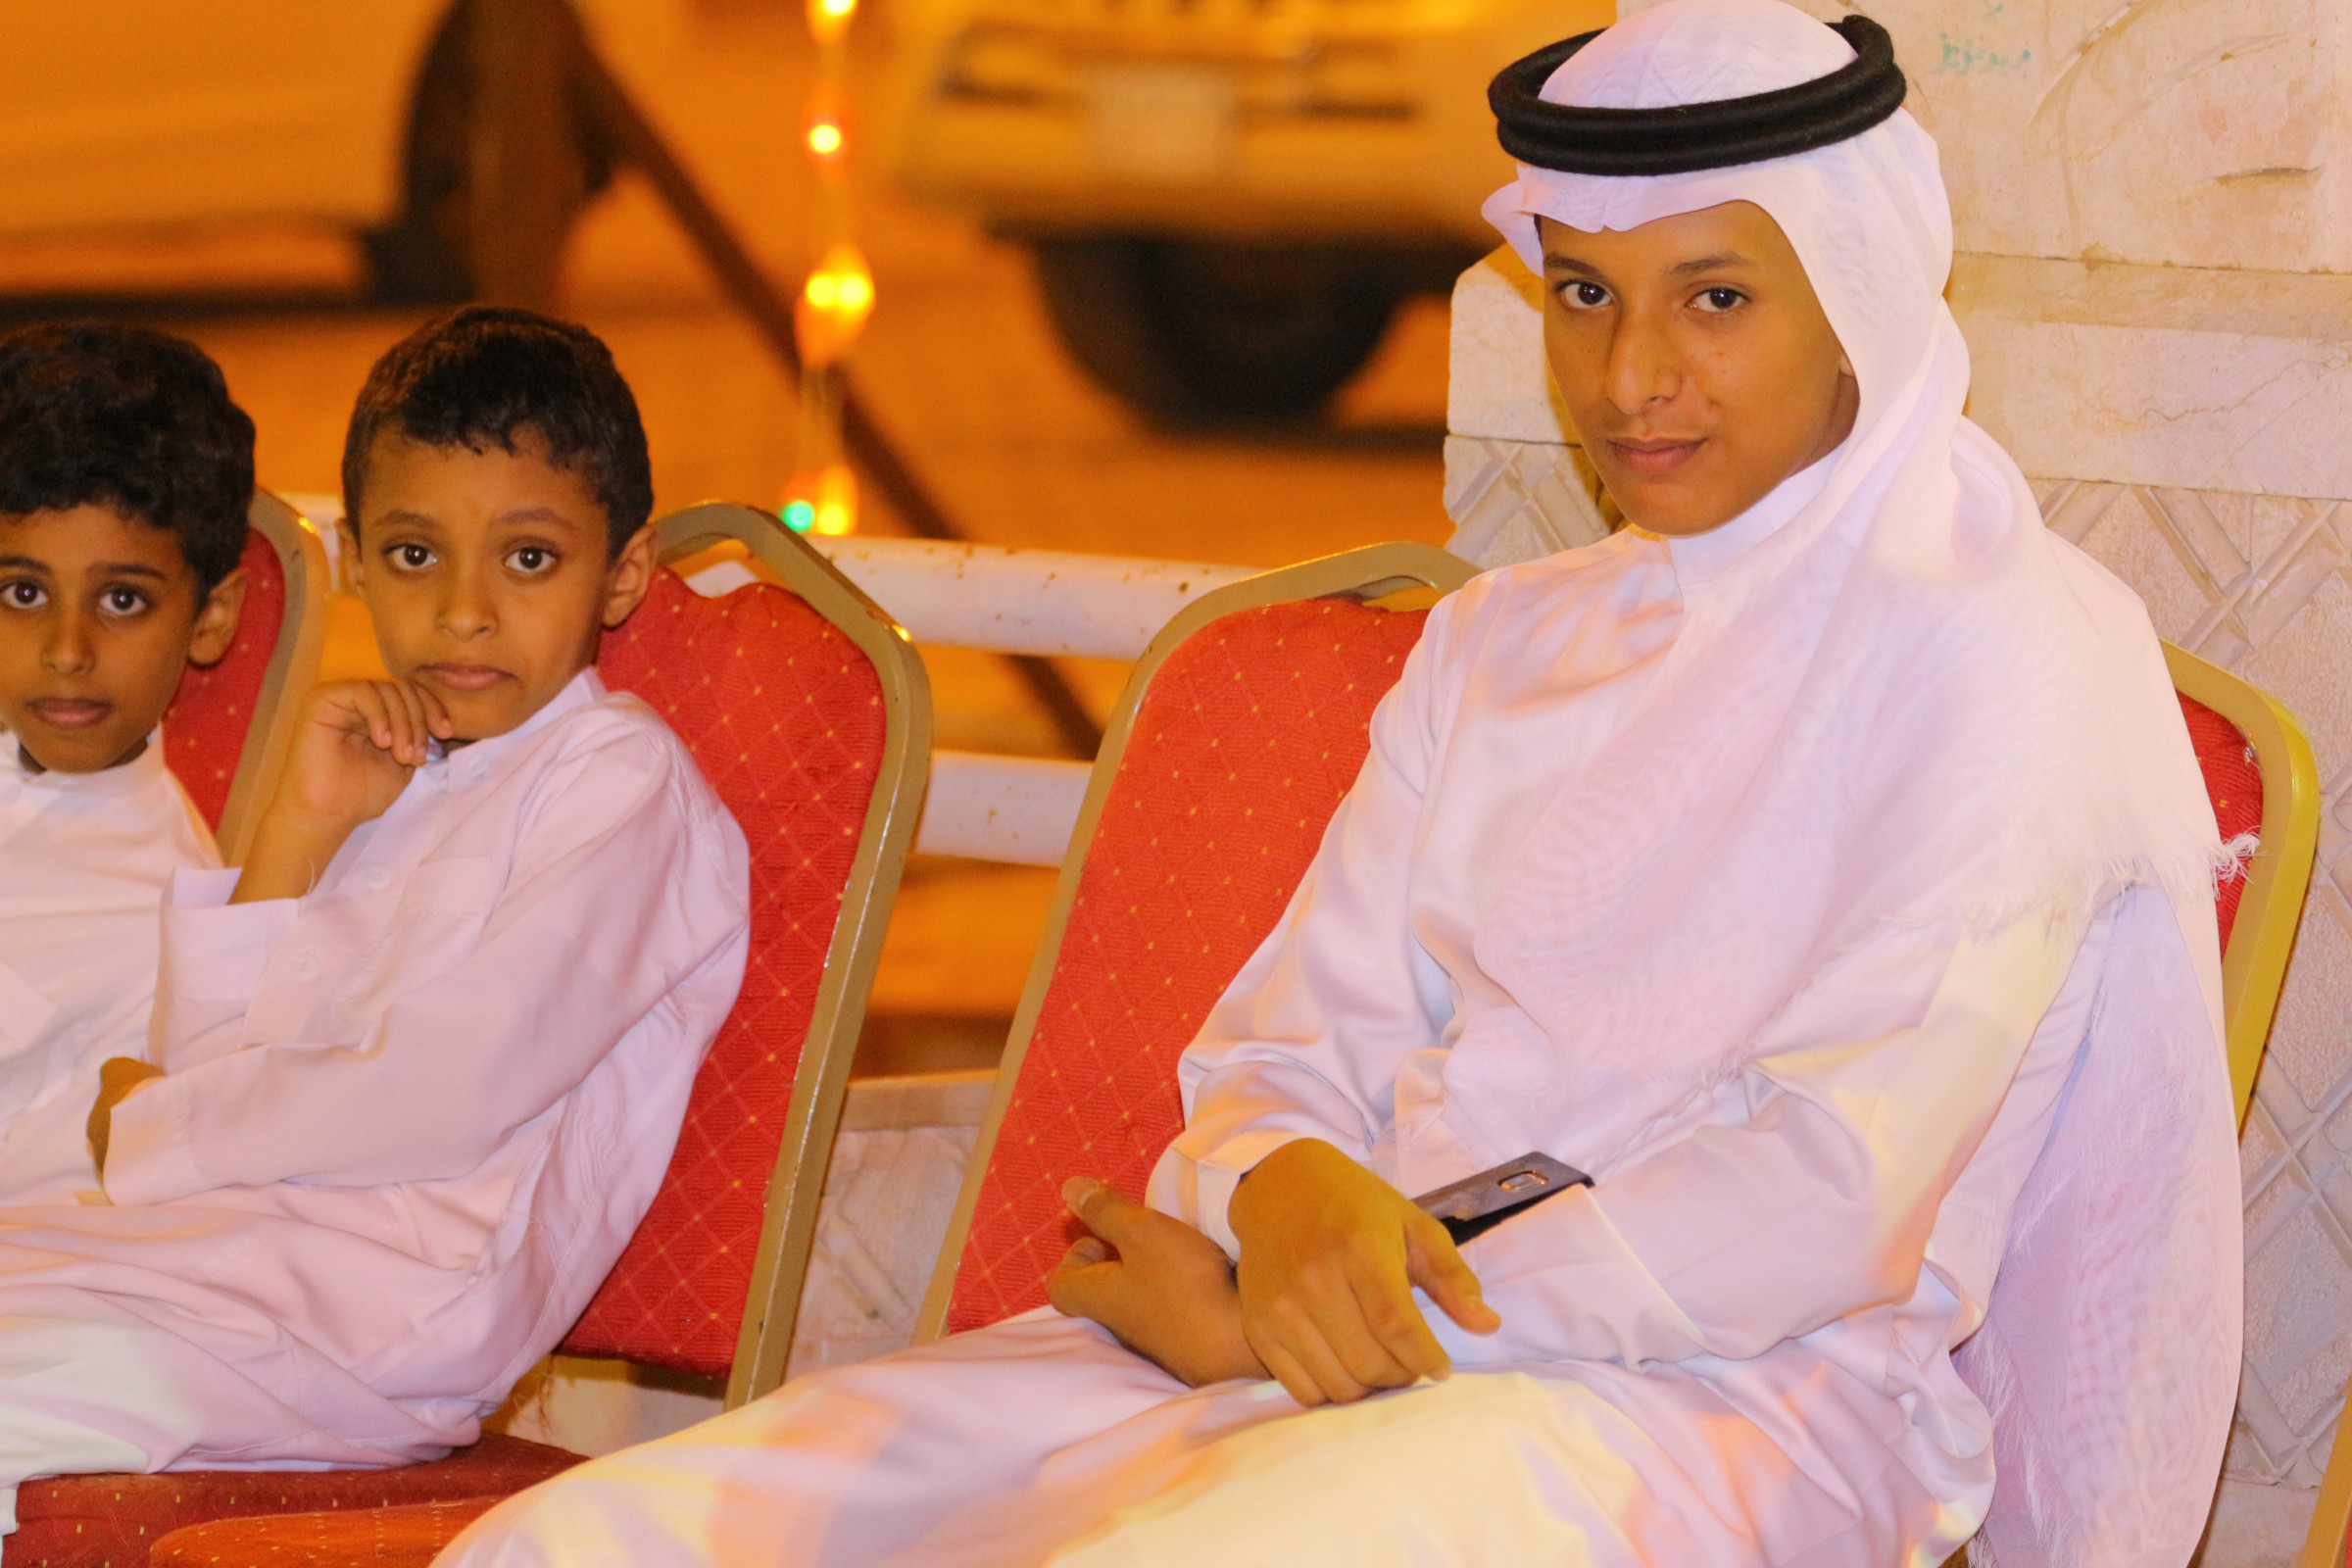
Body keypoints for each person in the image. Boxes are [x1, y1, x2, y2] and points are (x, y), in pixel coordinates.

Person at [439, 4, 2240, 1565]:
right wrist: (1278, 1191)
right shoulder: (1504, 644)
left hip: (1722, 1409)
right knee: (594, 1537)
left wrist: (1310, 1311)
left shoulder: (2002, 656)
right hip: (1329, 1338)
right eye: (1587, 295)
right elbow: (1281, 1050)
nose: (1631, 378)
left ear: (1855, 302)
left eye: (1716, 299)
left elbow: (1825, 1199)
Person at [0, 306, 751, 1545]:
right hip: (226, 1260)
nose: (463, 612)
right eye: (414, 555)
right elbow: (206, 1064)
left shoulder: (619, 784)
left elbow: (453, 1086)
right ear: (356, 559)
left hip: (376, 1315)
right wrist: (301, 827)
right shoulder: (400, 768)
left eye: (527, 559)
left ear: (623, 573)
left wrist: (157, 1126)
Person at [0, 324, 250, 1206]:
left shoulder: (178, 924)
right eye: (23, 592)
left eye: (121, 600)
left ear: (212, 617)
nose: (67, 651)